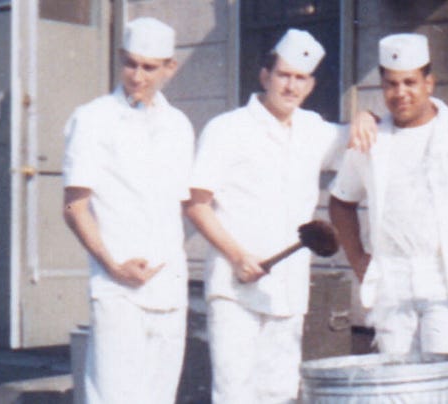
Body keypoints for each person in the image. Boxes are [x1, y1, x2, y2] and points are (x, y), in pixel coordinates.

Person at [183, 29, 377, 403]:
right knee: (235, 394)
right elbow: (196, 204)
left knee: (280, 393)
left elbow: (359, 138)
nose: (290, 86)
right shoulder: (227, 129)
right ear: (265, 76)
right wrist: (238, 256)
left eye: (300, 78)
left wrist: (366, 114)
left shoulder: (313, 130)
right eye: (283, 75)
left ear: (310, 85)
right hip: (235, 287)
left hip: (287, 293)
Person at [328, 33, 448, 404]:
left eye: (411, 82)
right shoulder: (371, 138)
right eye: (392, 84)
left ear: (429, 82)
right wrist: (359, 260)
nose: (401, 93)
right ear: (382, 86)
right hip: (392, 282)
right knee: (397, 390)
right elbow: (340, 203)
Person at [61, 17, 193, 404]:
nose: (138, 76)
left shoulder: (179, 126)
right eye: (130, 64)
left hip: (169, 287)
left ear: (170, 67)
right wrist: (113, 264)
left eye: (149, 67)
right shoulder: (92, 119)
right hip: (117, 289)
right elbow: (74, 207)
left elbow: (183, 206)